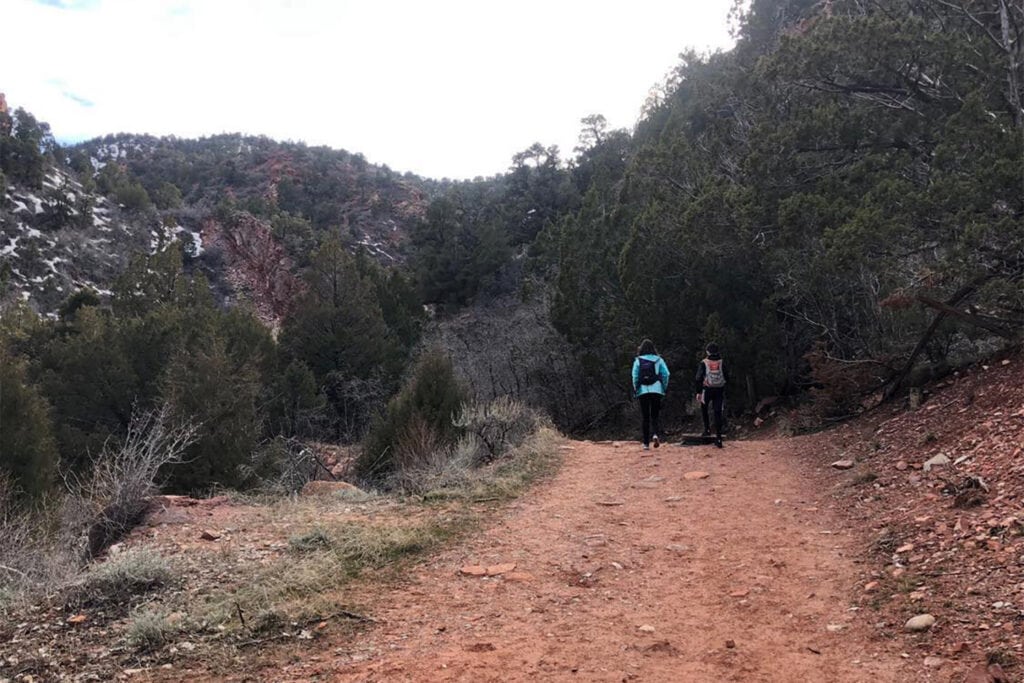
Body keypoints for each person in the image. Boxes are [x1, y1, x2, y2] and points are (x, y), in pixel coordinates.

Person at [632, 339, 670, 450]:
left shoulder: (638, 360)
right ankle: (655, 434)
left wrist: (636, 388)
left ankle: (645, 444)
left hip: (643, 390)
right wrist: (663, 387)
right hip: (657, 389)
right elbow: (666, 374)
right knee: (655, 415)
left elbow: (634, 376)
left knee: (645, 417)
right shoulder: (659, 360)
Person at [695, 342, 727, 448]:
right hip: (719, 389)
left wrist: (698, 392)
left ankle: (707, 429)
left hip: (707, 389)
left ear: (707, 351)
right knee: (717, 411)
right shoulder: (722, 362)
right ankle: (718, 437)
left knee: (704, 408)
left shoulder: (704, 362)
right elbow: (727, 376)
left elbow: (698, 378)